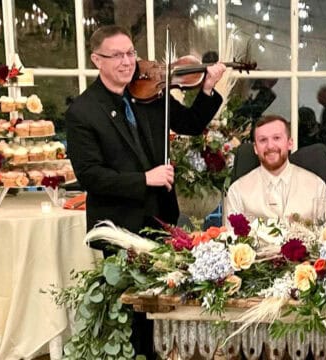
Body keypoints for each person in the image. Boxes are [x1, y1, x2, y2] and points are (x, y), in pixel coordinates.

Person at [66, 25, 225, 359]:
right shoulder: (83, 111)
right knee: (134, 312)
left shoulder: (149, 94)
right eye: (117, 55)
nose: (128, 62)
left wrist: (207, 89)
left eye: (130, 53)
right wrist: (145, 179)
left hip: (161, 217)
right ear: (97, 60)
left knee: (162, 304)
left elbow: (191, 124)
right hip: (120, 224)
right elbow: (90, 176)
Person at [224, 114, 326, 224]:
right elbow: (231, 237)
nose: (270, 146)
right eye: (263, 140)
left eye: (276, 138)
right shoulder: (237, 191)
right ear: (255, 148)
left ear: (290, 143)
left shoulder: (317, 187)